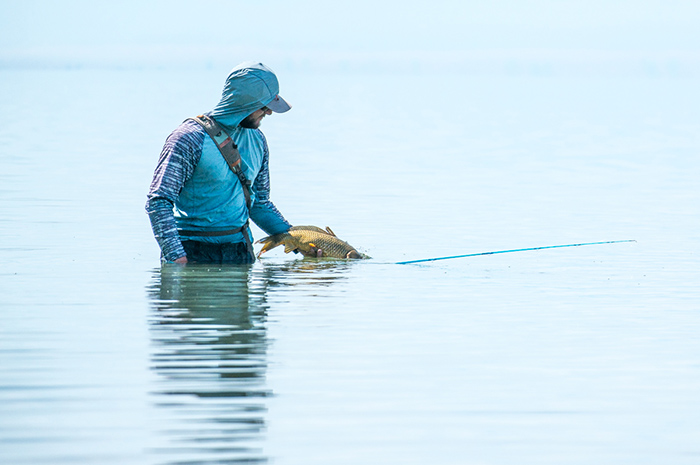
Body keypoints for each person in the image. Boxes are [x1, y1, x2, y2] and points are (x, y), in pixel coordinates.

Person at [146, 62, 298, 264]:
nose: (269, 112)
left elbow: (259, 203)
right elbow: (159, 200)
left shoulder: (258, 141)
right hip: (192, 251)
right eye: (264, 106)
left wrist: (301, 242)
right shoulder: (188, 139)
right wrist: (176, 257)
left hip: (240, 251)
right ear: (246, 103)